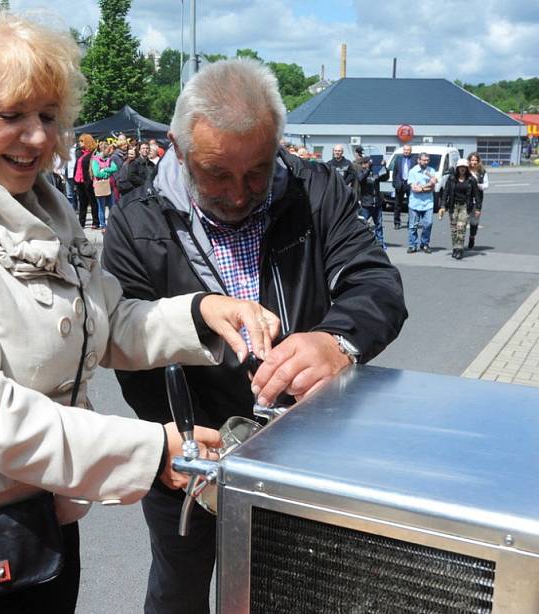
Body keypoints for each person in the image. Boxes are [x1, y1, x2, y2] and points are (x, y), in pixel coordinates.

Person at [0, 14, 282, 614]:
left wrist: (202, 315)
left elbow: (102, 322)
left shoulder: (45, 208)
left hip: (42, 501)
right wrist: (152, 452)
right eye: (11, 114)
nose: (38, 137)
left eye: (48, 115)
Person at [102, 58, 407, 614]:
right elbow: (129, 341)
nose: (239, 194)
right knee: (178, 590)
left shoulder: (316, 193)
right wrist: (173, 434)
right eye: (217, 173)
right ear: (175, 145)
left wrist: (336, 341)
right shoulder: (135, 221)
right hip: (189, 456)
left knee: (291, 592)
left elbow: (377, 282)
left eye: (257, 172)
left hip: (302, 452)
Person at [439, 158, 479, 260]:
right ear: (457, 168)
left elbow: (476, 195)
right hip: (453, 206)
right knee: (454, 229)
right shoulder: (451, 179)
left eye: (464, 167)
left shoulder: (471, 180)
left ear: (467, 168)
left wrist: (478, 208)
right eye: (460, 167)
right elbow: (445, 193)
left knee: (461, 227)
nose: (462, 169)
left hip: (465, 206)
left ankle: (460, 249)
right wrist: (443, 206)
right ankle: (455, 248)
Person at [406, 152, 437, 253]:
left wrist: (422, 187)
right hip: (415, 203)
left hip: (428, 202)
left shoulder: (431, 171)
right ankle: (412, 245)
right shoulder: (413, 171)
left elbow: (433, 186)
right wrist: (427, 185)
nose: (426, 162)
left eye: (427, 160)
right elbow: (415, 189)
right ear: (419, 160)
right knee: (413, 225)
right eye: (424, 160)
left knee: (428, 224)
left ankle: (424, 243)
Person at [357, 155, 390, 248]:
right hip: (366, 204)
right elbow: (360, 179)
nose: (368, 164)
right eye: (366, 163)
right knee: (363, 224)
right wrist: (367, 169)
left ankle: (380, 242)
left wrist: (384, 167)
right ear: (363, 164)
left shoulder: (375, 173)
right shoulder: (361, 172)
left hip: (377, 203)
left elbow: (385, 177)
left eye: (369, 163)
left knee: (379, 224)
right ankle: (361, 242)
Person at [90, 140, 117, 230]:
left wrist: (105, 170)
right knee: (101, 207)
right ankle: (103, 224)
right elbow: (96, 173)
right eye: (108, 150)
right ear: (103, 150)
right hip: (101, 186)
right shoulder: (95, 160)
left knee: (112, 206)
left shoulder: (109, 159)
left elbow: (114, 168)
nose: (110, 152)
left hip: (110, 185)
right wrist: (106, 174)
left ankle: (112, 223)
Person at [74, 132, 99, 229]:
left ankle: (95, 222)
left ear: (87, 142)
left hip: (88, 181)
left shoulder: (93, 153)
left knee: (92, 201)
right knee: (82, 202)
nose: (80, 143)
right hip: (79, 181)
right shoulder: (80, 153)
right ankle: (81, 222)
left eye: (82, 141)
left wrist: (91, 180)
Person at [391, 144, 415, 229]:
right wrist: (394, 182)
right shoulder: (398, 159)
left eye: (408, 150)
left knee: (411, 205)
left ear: (410, 151)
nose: (406, 151)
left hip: (410, 184)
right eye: (405, 150)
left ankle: (410, 222)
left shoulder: (414, 159)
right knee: (397, 205)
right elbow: (395, 172)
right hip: (400, 184)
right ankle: (397, 223)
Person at [467, 151, 488, 249]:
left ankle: (472, 237)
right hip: (465, 200)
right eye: (472, 160)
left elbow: (486, 185)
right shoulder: (465, 170)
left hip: (477, 200)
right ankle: (459, 242)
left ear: (478, 161)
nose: (474, 162)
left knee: (474, 221)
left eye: (475, 160)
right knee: (462, 221)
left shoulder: (482, 172)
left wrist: (477, 185)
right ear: (469, 161)